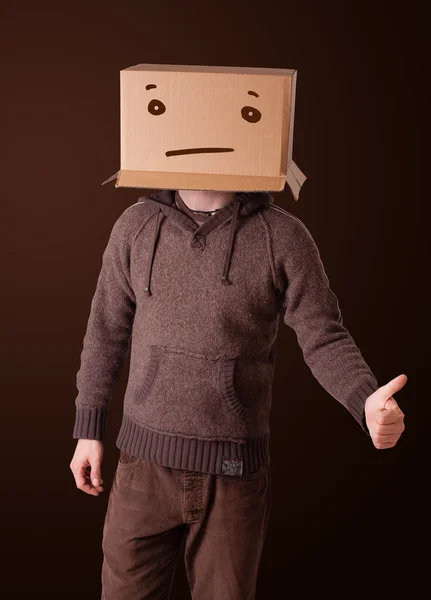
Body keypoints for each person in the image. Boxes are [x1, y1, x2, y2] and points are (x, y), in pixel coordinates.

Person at [70, 188, 406, 600]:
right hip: (143, 470)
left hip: (234, 477)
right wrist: (89, 427)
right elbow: (106, 329)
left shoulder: (281, 235)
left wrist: (366, 399)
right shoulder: (136, 225)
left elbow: (324, 335)